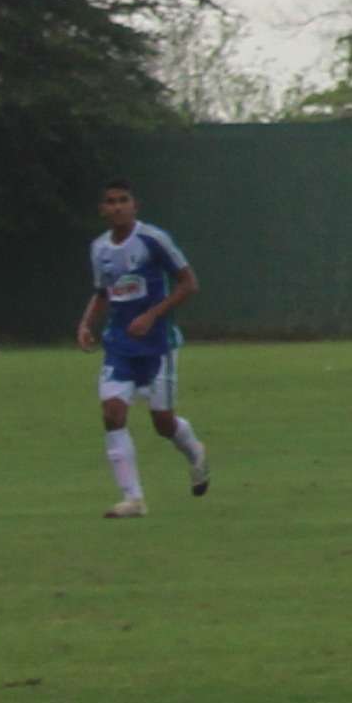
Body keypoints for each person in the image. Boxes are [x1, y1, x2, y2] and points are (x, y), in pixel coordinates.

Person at [78, 182, 208, 517]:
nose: (118, 207)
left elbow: (188, 283)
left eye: (124, 201)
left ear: (135, 206)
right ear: (102, 209)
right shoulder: (99, 248)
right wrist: (85, 324)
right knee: (112, 413)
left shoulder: (153, 239)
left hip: (157, 345)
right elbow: (103, 292)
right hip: (119, 345)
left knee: (162, 423)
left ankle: (194, 451)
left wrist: (152, 316)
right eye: (111, 202)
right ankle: (133, 499)